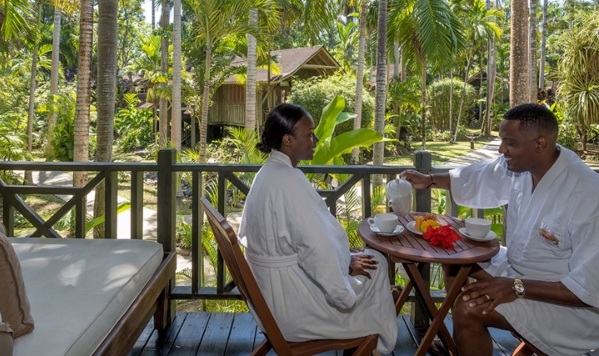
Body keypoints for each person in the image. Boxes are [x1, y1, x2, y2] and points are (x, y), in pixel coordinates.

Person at [401, 103, 599, 356]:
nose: (501, 149)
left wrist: (516, 286)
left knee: (469, 308)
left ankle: (467, 333)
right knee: (455, 256)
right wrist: (429, 180)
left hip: (569, 306)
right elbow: (479, 176)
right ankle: (464, 344)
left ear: (540, 144)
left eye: (510, 143)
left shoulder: (588, 194)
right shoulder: (522, 167)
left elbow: (589, 287)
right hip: (517, 270)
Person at [238, 103, 398, 353]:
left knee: (365, 259)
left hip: (271, 300)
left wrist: (345, 259)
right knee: (376, 263)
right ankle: (374, 342)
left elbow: (307, 243)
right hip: (293, 310)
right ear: (288, 139)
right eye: (310, 133)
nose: (316, 139)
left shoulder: (268, 173)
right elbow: (317, 247)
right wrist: (346, 267)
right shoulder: (288, 181)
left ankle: (369, 334)